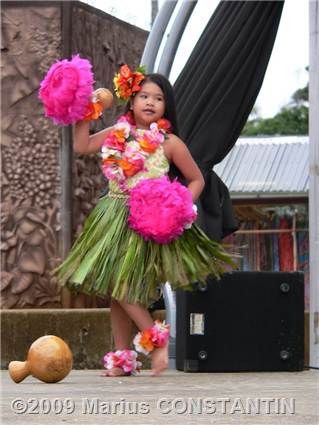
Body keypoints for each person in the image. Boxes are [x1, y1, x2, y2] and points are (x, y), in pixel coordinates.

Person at [55, 65, 235, 377]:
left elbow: (196, 180)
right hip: (112, 217)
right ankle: (123, 359)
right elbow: (81, 145)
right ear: (131, 101)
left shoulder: (170, 143)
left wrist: (178, 205)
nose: (150, 102)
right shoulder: (116, 134)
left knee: (121, 286)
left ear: (167, 106)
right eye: (143, 96)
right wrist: (87, 110)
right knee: (116, 291)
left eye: (158, 98)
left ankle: (156, 339)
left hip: (146, 220)